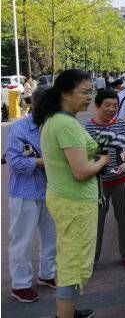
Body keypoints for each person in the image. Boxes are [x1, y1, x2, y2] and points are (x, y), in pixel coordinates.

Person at [36, 69, 110, 318]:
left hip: (66, 199)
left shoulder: (56, 119)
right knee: (72, 263)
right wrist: (103, 160)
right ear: (66, 93)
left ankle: (69, 311)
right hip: (74, 203)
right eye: (85, 92)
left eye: (92, 91)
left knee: (72, 257)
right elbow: (81, 171)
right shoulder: (65, 124)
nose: (90, 97)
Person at [7, 90, 56, 303]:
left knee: (51, 237)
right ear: (36, 106)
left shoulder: (53, 127)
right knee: (22, 241)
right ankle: (21, 285)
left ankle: (48, 274)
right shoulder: (20, 128)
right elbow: (15, 162)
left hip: (50, 191)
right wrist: (42, 162)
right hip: (24, 192)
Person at [84, 90, 125, 269]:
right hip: (97, 183)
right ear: (97, 106)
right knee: (95, 221)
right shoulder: (86, 128)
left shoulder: (122, 124)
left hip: (123, 179)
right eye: (107, 105)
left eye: (115, 105)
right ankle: (92, 259)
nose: (111, 109)